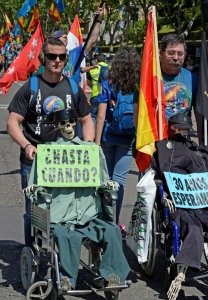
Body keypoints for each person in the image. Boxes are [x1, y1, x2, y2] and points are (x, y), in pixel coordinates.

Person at [25, 108, 130, 290]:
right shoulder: (47, 153)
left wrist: (108, 185)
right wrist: (35, 189)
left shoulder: (91, 151)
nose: (69, 127)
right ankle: (67, 278)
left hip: (88, 214)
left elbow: (102, 181)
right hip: (60, 216)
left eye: (72, 122)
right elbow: (34, 187)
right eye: (64, 123)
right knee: (67, 236)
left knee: (112, 230)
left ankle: (112, 274)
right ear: (58, 126)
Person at [7, 37, 94, 246]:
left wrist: (88, 144)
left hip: (65, 160)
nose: (57, 60)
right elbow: (12, 122)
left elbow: (87, 119)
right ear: (43, 58)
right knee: (34, 210)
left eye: (61, 56)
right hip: (34, 160)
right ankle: (32, 251)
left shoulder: (73, 87)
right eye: (52, 56)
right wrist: (27, 145)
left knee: (66, 208)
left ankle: (62, 251)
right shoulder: (31, 87)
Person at [152, 113, 208, 298]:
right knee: (193, 227)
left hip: (201, 206)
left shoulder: (198, 151)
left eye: (186, 129)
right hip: (178, 206)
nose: (184, 132)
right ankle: (183, 268)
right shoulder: (163, 149)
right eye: (180, 128)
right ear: (173, 128)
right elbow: (158, 176)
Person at [95, 47, 141, 225]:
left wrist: (97, 142)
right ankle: (114, 221)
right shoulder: (138, 85)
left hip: (108, 135)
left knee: (105, 179)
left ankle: (102, 218)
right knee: (119, 181)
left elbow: (100, 115)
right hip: (128, 137)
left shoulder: (109, 83)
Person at [159, 33, 198, 120]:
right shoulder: (149, 78)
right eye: (171, 53)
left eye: (180, 54)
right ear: (161, 53)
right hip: (155, 132)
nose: (176, 58)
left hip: (183, 131)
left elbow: (201, 112)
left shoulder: (193, 79)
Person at [87, 53, 109, 120]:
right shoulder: (109, 69)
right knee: (105, 116)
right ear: (105, 61)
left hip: (95, 95)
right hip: (106, 95)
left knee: (93, 116)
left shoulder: (92, 69)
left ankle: (92, 130)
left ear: (96, 60)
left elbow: (88, 82)